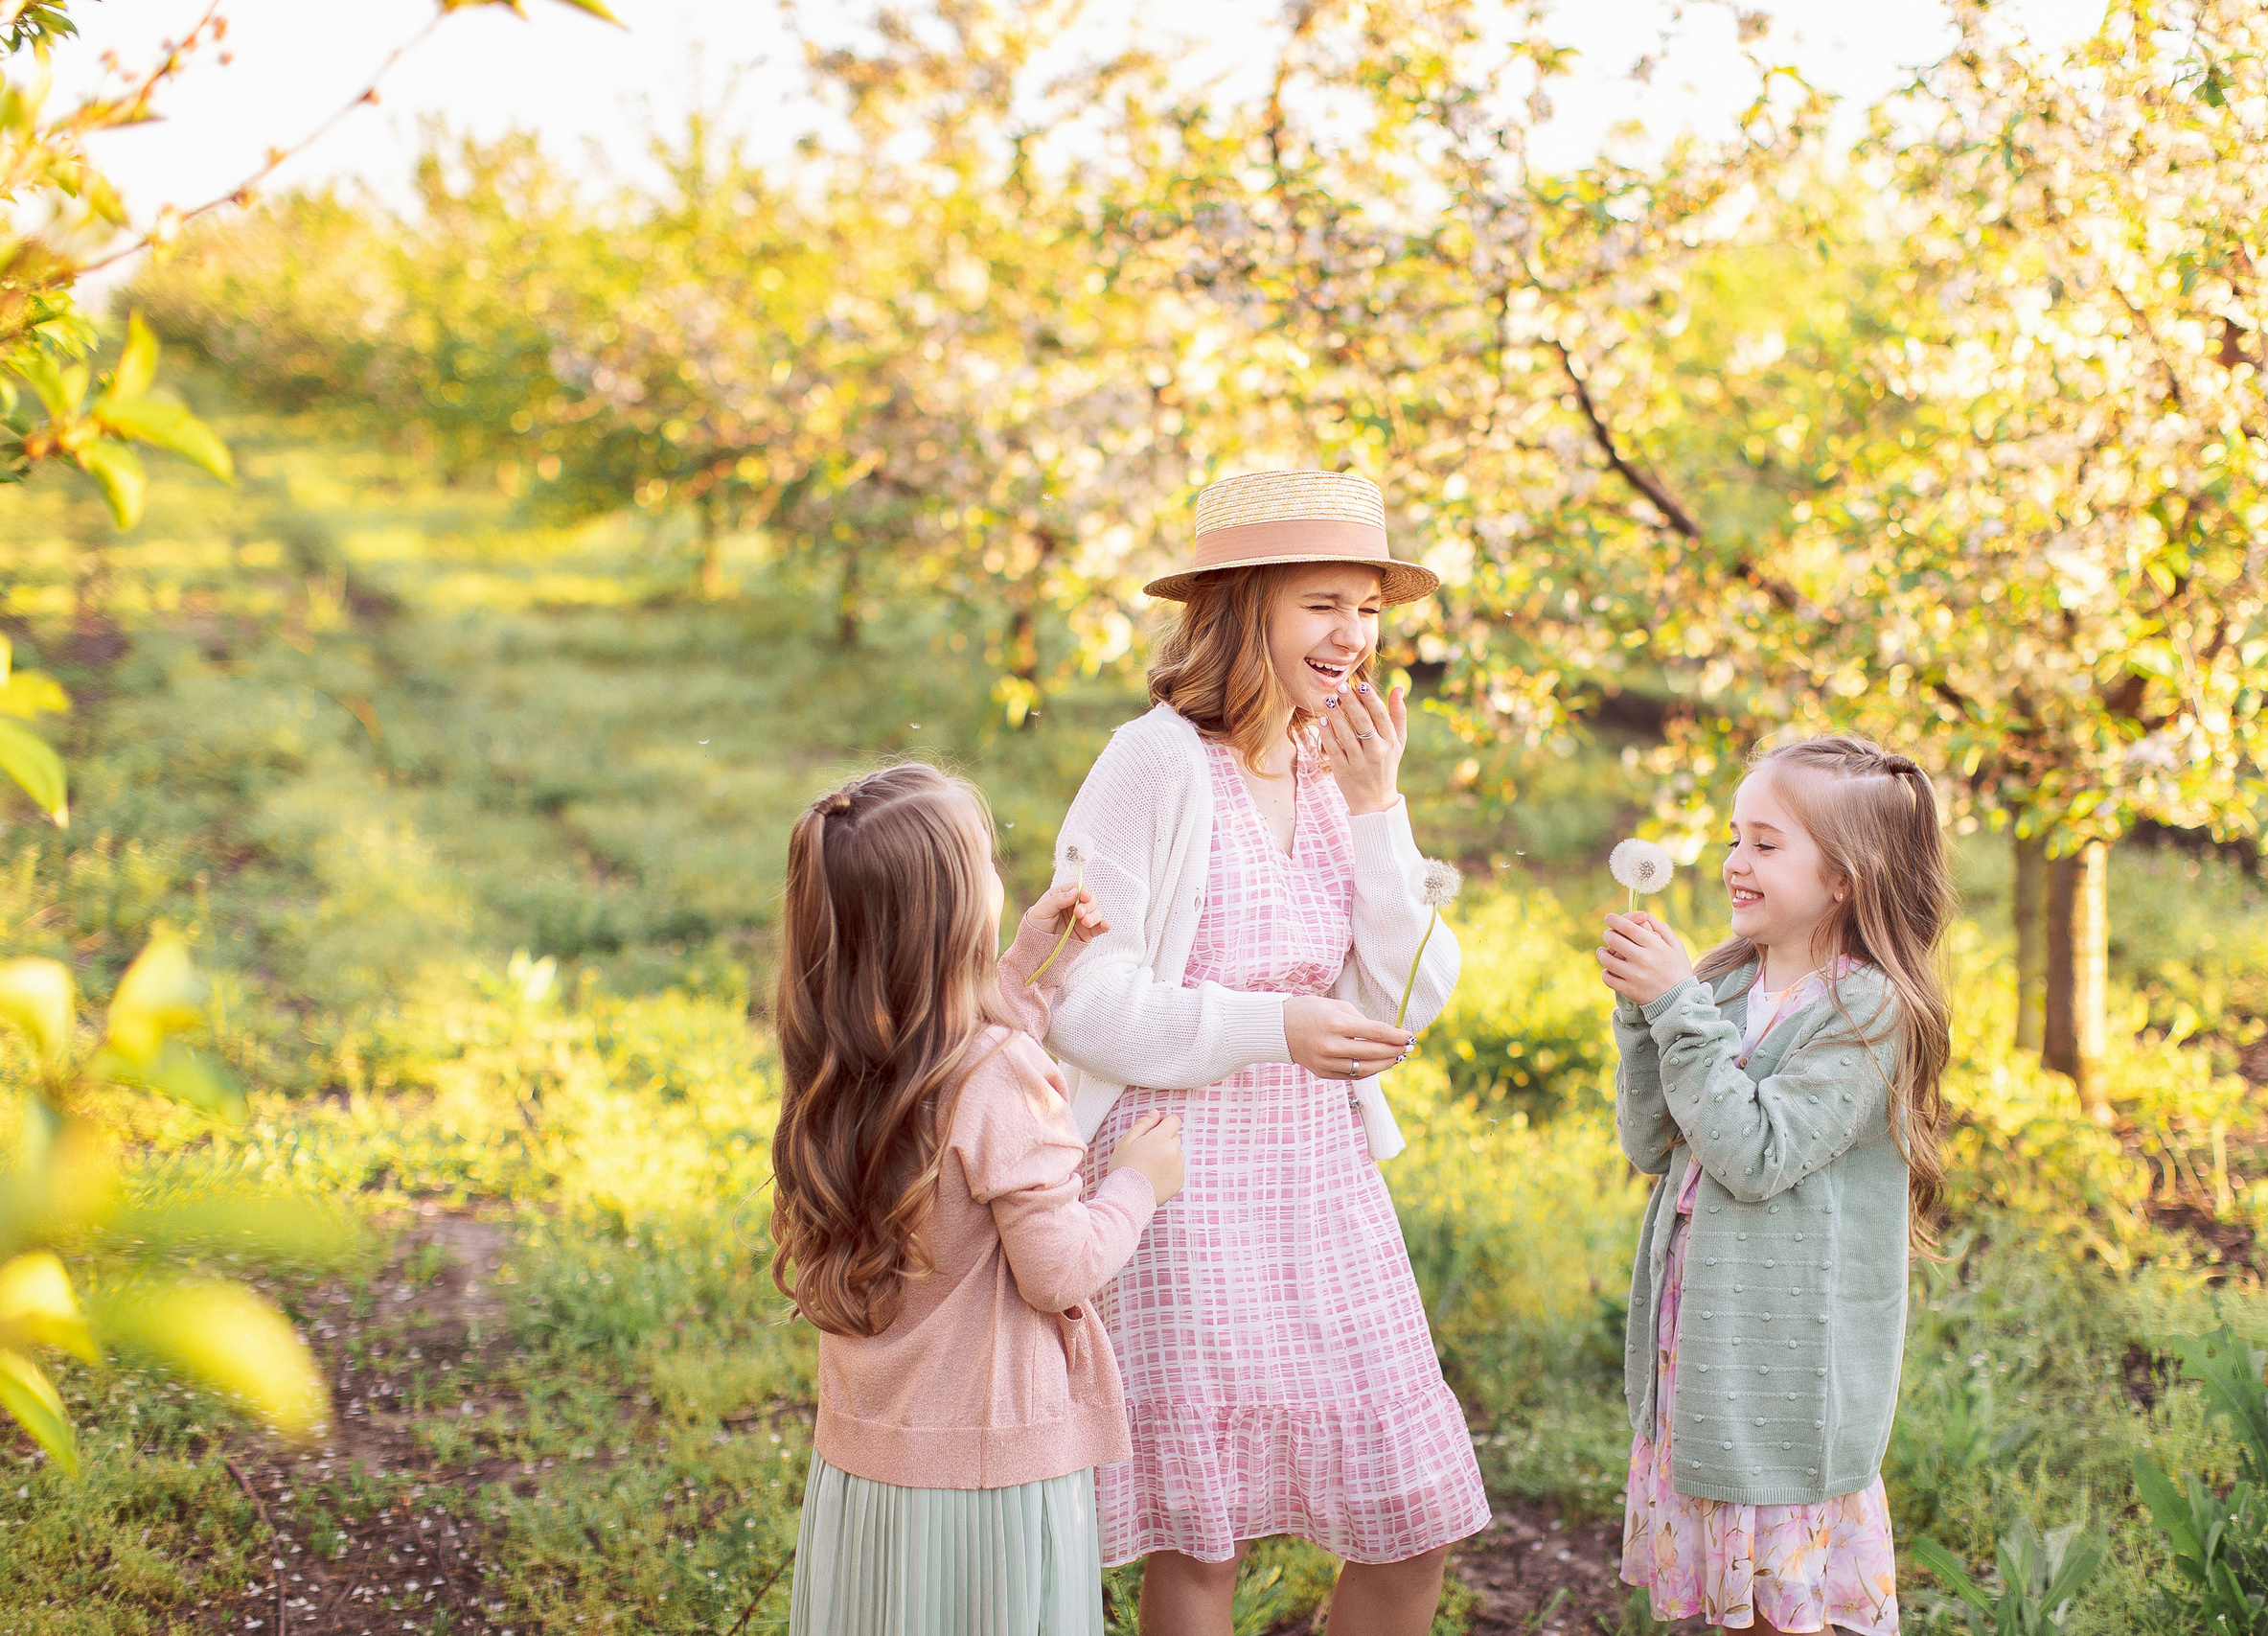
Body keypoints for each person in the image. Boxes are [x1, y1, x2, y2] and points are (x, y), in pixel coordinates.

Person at [1044, 470, 1487, 1636]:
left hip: (1321, 1178)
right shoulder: (1154, 765)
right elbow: (1079, 996)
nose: (1355, 638)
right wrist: (1269, 1026)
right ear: (1245, 609)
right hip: (1178, 1174)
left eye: (1370, 610)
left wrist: (1381, 807)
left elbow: (1409, 993)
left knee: (1413, 1513)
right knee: (1205, 1537)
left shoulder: (1335, 769)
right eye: (1323, 605)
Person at [767, 762, 1187, 1636]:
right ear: (957, 911)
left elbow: (951, 1048)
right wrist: (1137, 1185)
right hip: (988, 1479)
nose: (1003, 879)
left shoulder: (848, 1061)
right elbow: (1058, 1267)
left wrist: (1025, 963)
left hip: (872, 1467)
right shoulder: (1001, 1077)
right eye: (988, 864)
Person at [1595, 736, 1956, 1636]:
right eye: (1731, 838)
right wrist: (1646, 1017)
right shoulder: (1722, 984)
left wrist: (1674, 1007)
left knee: (1780, 1611)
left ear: (1844, 878)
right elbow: (1652, 1141)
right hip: (1704, 1338)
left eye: (1764, 842)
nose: (1732, 863)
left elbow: (1756, 1154)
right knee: (1725, 1609)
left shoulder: (1868, 1010)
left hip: (1788, 1365)